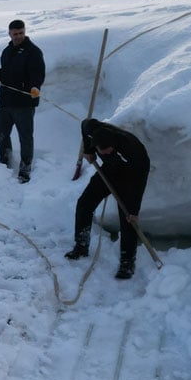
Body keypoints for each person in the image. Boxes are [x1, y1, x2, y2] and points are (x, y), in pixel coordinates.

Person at [65, 118, 151, 280]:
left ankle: (127, 262)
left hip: (131, 176)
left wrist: (133, 210)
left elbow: (139, 181)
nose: (105, 153)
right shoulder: (93, 129)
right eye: (101, 151)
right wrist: (89, 150)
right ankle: (81, 246)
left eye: (108, 151)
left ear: (114, 145)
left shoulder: (132, 149)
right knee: (84, 203)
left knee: (127, 219)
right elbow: (84, 125)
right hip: (110, 170)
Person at [0, 19, 45, 183]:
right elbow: (4, 75)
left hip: (24, 104)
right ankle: (5, 160)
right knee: (1, 134)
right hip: (5, 102)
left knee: (25, 137)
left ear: (25, 32)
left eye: (21, 33)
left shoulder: (33, 52)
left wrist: (35, 88)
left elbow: (38, 75)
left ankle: (25, 167)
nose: (18, 36)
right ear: (10, 34)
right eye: (15, 34)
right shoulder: (7, 51)